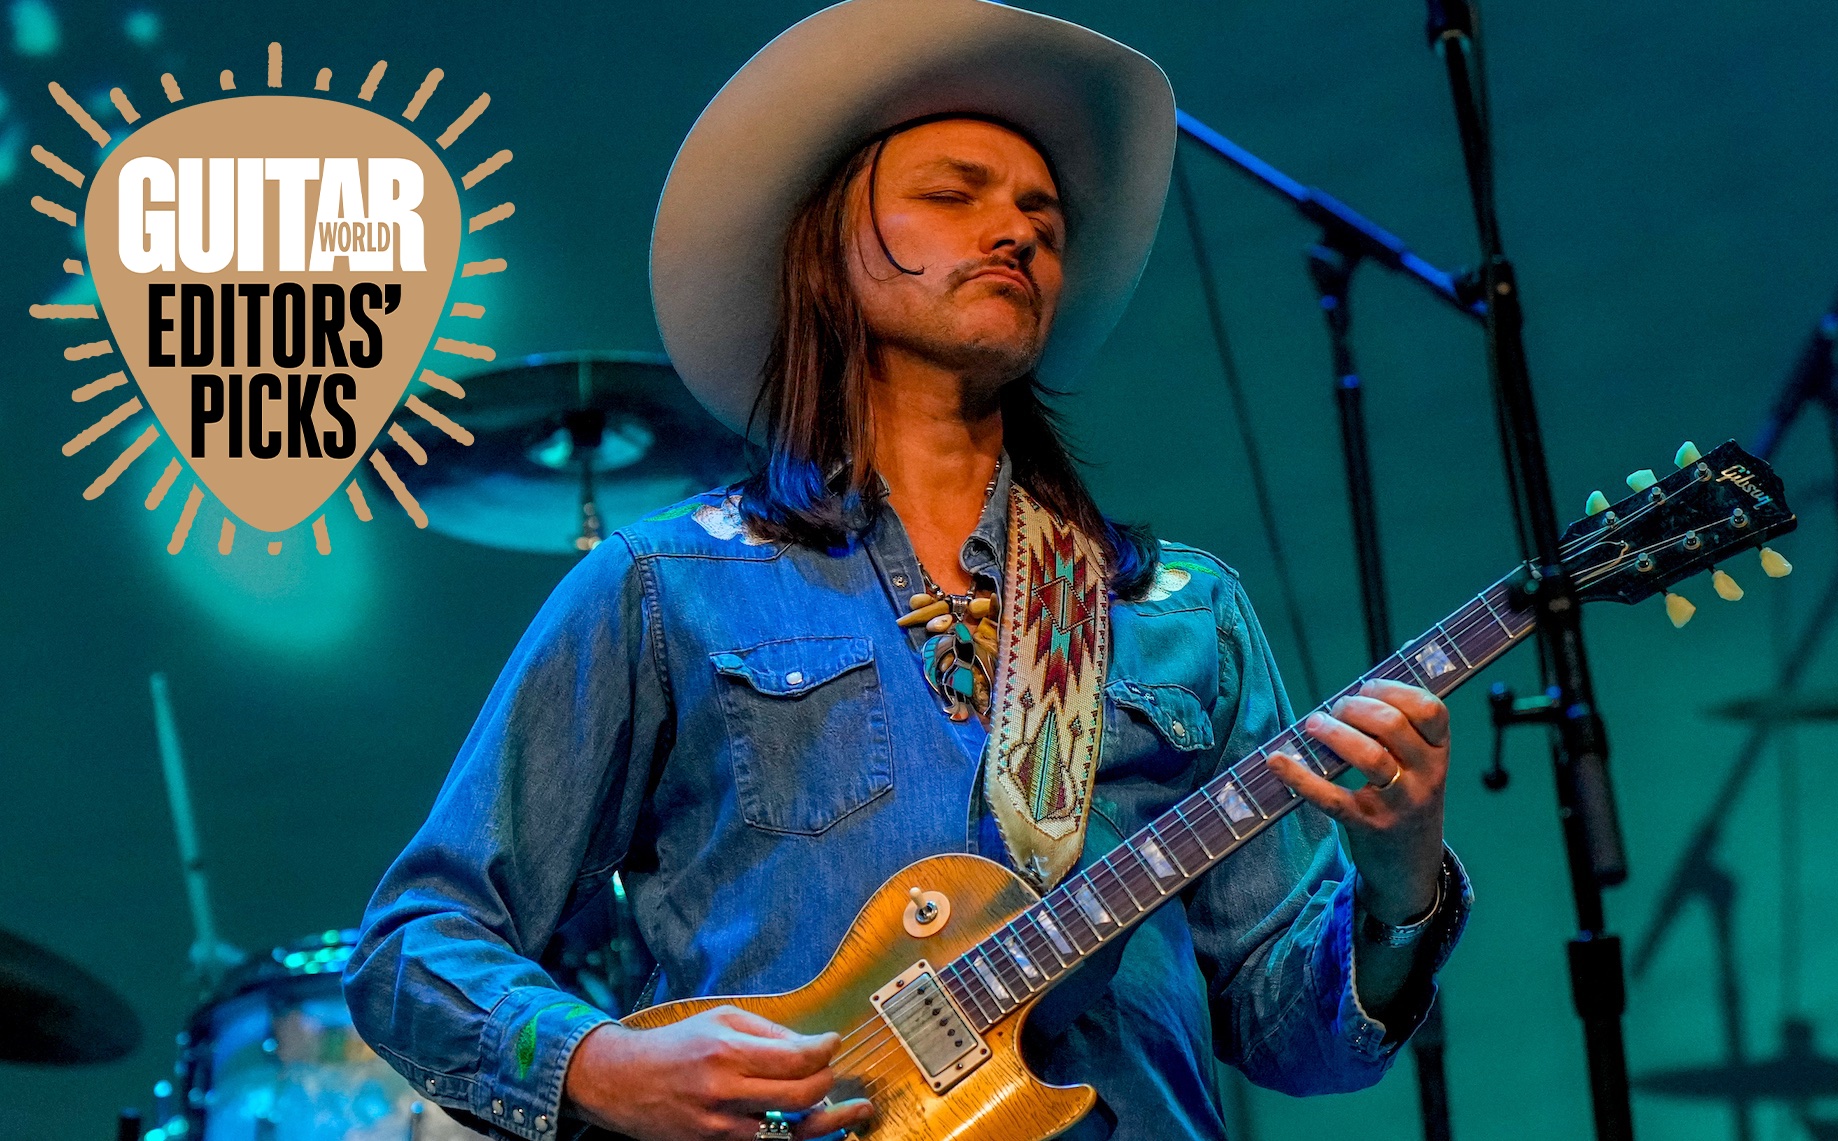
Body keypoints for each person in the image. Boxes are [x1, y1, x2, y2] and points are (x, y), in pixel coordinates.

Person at [345, 2, 1470, 1139]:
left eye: (1040, 212)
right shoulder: (664, 583)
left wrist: (1397, 886)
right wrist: (600, 1061)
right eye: (953, 193)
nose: (1016, 229)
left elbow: (1294, 1039)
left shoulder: (1176, 613)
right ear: (827, 244)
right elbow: (414, 943)